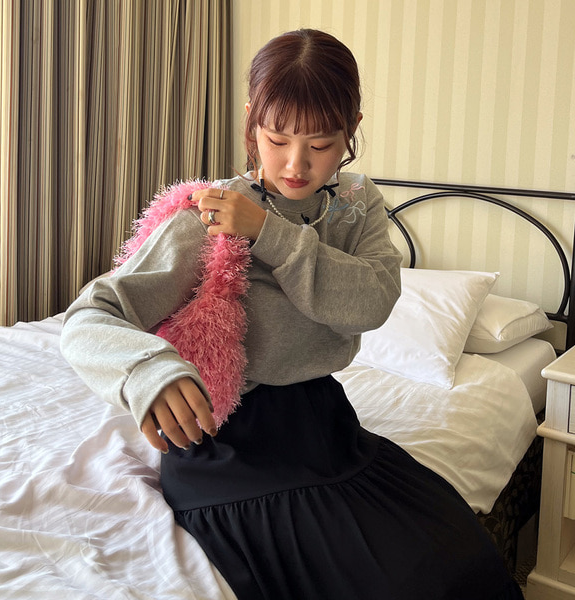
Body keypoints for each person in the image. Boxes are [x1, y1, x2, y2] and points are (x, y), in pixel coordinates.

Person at [61, 28, 524, 600]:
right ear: (251, 122)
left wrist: (269, 233)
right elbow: (91, 315)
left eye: (322, 144)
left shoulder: (356, 206)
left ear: (351, 129)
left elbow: (370, 304)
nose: (296, 164)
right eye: (277, 139)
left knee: (460, 560)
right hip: (225, 440)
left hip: (326, 427)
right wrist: (146, 371)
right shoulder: (211, 213)